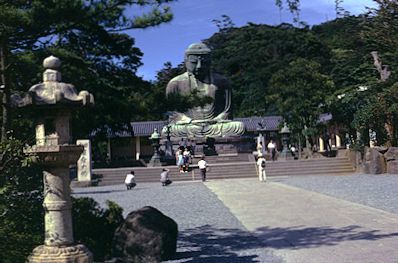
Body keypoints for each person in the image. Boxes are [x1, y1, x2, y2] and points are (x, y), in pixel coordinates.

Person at [162, 42, 244, 138]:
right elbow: (173, 113)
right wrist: (189, 121)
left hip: (215, 125)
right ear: (186, 61)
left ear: (210, 62)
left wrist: (217, 119)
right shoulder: (175, 83)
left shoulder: (222, 82)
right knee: (168, 130)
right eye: (194, 62)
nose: (199, 66)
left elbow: (227, 111)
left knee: (238, 127)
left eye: (204, 63)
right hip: (189, 126)